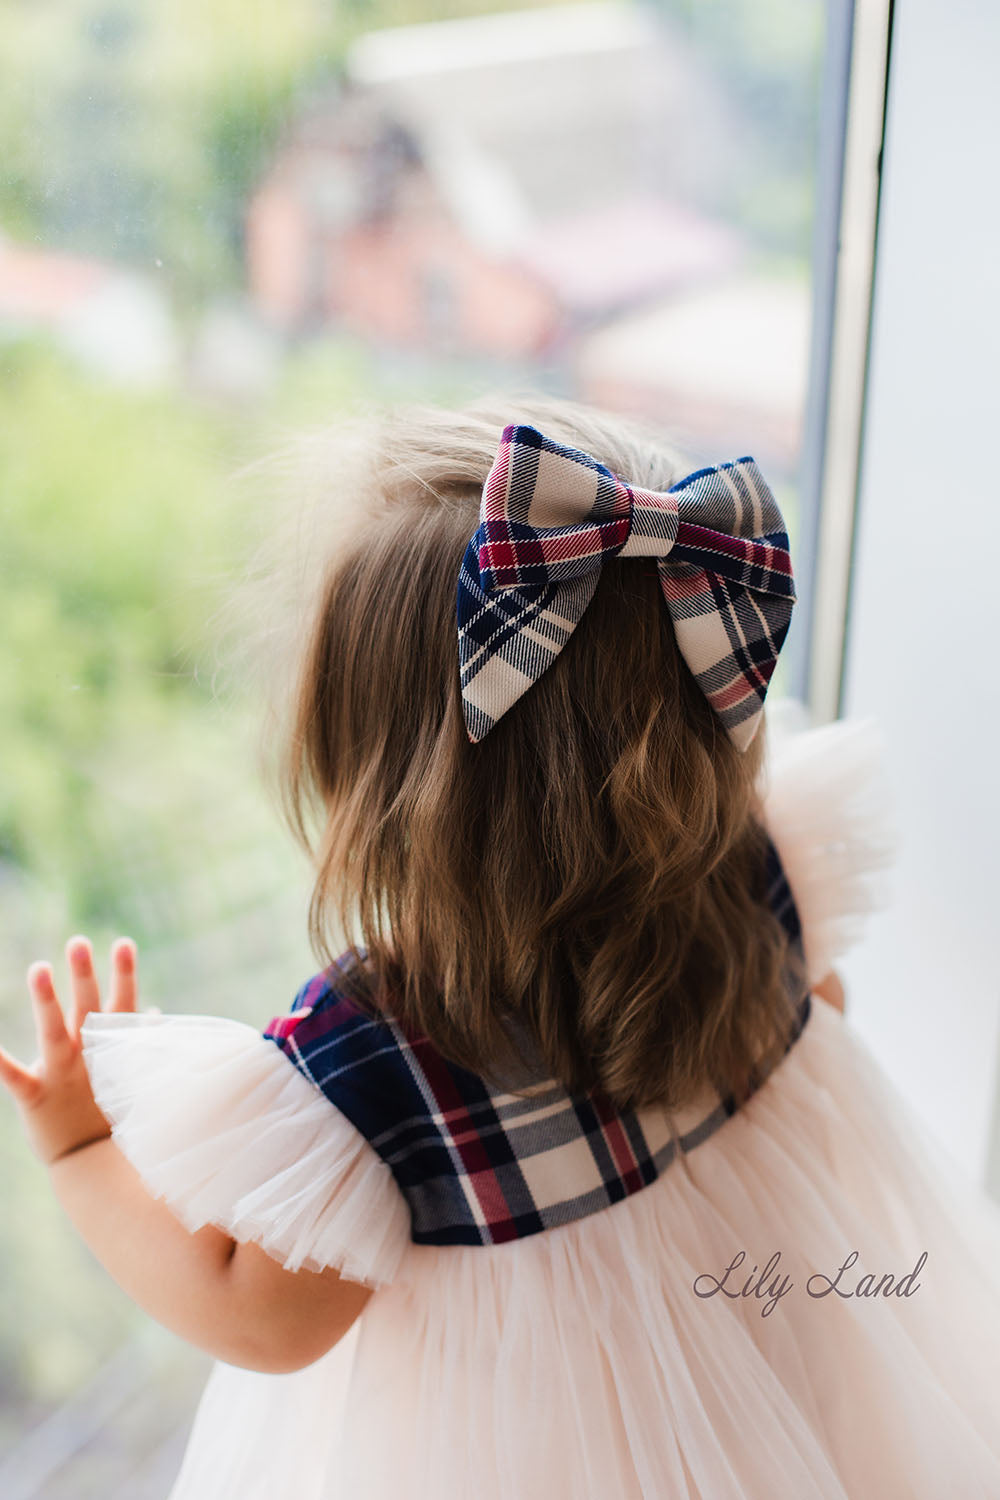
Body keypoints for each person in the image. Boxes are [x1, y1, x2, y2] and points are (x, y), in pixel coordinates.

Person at [3, 397, 1000, 1499]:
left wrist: (81, 1150)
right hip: (776, 1370)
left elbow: (258, 1314)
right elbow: (826, 1019)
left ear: (376, 779)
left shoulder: (377, 1060)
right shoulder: (750, 871)